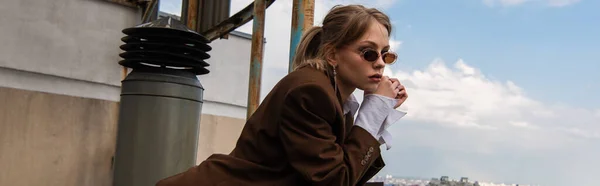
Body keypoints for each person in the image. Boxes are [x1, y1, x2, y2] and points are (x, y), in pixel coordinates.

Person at [156, 4, 408, 186]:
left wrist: (378, 112)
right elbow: (334, 180)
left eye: (385, 54)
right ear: (332, 54)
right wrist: (374, 108)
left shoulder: (335, 98)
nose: (380, 63)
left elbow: (346, 174)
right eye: (368, 53)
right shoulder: (310, 93)